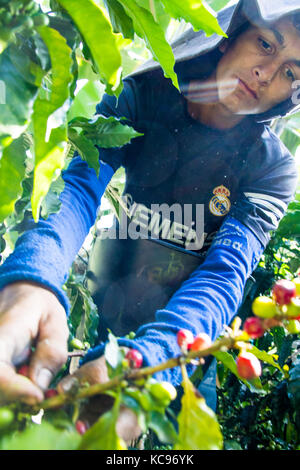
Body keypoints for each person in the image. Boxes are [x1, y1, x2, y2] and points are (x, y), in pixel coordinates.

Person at [0, 0, 299, 441]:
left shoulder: (271, 169)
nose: (266, 74)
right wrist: (34, 279)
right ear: (230, 35)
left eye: (292, 73)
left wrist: (151, 360)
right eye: (264, 44)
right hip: (115, 296)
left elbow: (223, 274)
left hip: (186, 339)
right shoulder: (140, 93)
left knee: (172, 443)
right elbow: (79, 190)